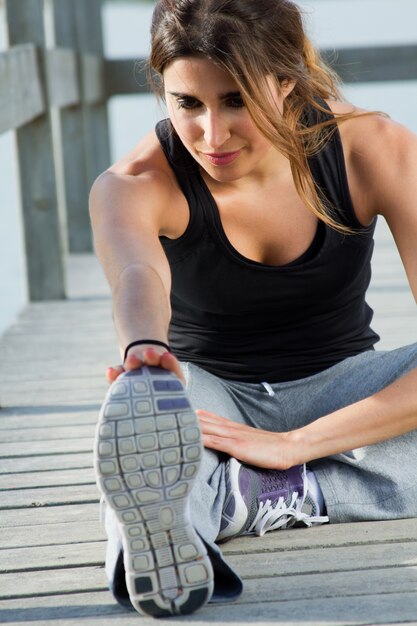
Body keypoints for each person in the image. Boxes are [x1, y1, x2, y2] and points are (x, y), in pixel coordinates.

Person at [90, 0, 417, 618]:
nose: (212, 135)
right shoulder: (133, 183)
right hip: (212, 393)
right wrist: (143, 349)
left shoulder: (372, 147)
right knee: (156, 431)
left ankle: (258, 494)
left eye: (236, 101)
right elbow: (137, 275)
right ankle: (174, 537)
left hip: (342, 391)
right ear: (163, 91)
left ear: (286, 78)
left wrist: (294, 444)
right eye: (188, 103)